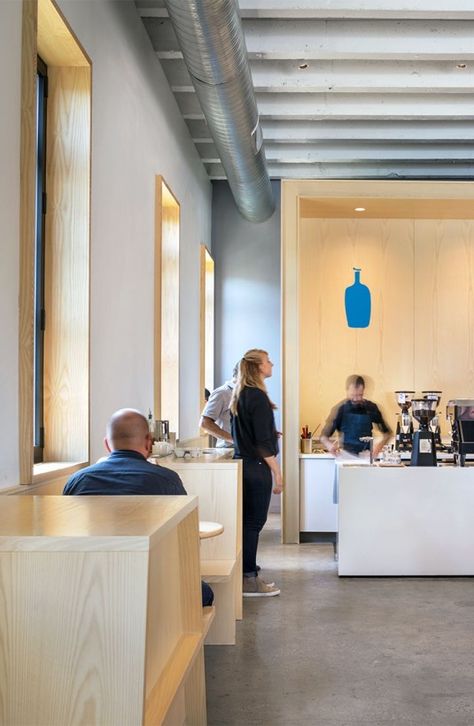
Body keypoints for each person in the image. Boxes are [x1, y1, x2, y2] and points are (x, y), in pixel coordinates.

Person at [63, 408, 213, 606]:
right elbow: (185, 536)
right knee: (205, 593)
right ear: (149, 441)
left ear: (107, 444)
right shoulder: (166, 480)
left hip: (88, 583)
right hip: (152, 582)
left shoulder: (78, 480)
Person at [230, 349, 282, 597]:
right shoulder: (258, 397)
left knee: (247, 523)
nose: (271, 363)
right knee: (253, 524)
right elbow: (262, 443)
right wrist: (278, 473)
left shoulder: (241, 395)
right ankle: (248, 579)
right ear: (258, 367)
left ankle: (247, 571)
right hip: (257, 468)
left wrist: (271, 435)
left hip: (243, 465)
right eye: (268, 360)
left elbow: (250, 434)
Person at [320, 375, 392, 459]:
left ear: (363, 391)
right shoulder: (340, 409)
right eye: (353, 395)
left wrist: (379, 447)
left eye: (359, 395)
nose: (356, 399)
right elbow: (323, 436)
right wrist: (329, 445)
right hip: (345, 456)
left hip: (366, 456)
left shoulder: (371, 408)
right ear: (347, 390)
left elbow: (388, 433)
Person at [200, 363, 239, 447]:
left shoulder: (244, 393)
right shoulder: (222, 393)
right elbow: (205, 423)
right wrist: (234, 441)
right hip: (229, 450)